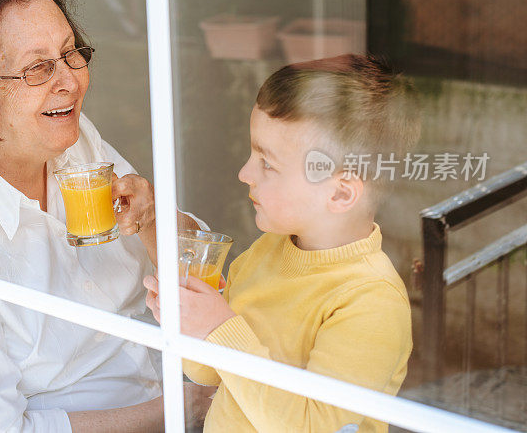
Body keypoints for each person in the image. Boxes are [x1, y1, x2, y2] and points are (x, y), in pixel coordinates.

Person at [0, 0, 213, 432]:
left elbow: (204, 268)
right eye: (37, 68)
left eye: (70, 53)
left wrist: (151, 219)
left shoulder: (75, 144)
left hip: (192, 384)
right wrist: (172, 411)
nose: (70, 81)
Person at [145, 54, 421, 432]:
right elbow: (210, 373)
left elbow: (309, 426)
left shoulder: (371, 301)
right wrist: (190, 322)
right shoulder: (270, 249)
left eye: (268, 163)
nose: (245, 173)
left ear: (340, 194)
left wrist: (221, 329)